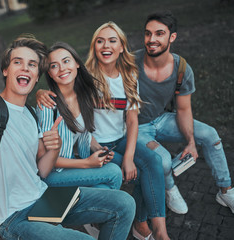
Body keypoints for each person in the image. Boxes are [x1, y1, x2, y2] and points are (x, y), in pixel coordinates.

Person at [0, 30, 135, 240]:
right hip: (15, 217)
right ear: (5, 70)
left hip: (44, 198)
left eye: (32, 64)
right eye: (17, 62)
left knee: (125, 204)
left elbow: (42, 170)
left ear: (35, 79)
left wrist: (54, 148)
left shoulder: (32, 115)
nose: (25, 67)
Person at [37, 22, 170, 240]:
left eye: (112, 40)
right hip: (63, 166)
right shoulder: (67, 91)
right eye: (100, 41)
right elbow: (44, 163)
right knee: (118, 175)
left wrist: (111, 152)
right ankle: (96, 215)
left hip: (107, 145)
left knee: (151, 164)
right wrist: (41, 92)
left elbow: (97, 128)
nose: (61, 68)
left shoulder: (107, 84)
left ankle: (150, 228)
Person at [134, 10, 234, 215]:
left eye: (159, 33)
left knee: (210, 135)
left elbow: (183, 108)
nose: (152, 39)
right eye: (148, 33)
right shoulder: (129, 62)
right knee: (162, 160)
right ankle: (170, 188)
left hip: (161, 119)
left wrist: (190, 142)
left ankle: (226, 191)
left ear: (172, 37)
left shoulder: (181, 68)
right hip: (135, 127)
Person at [36, 42, 122, 190]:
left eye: (66, 61)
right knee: (114, 173)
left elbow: (85, 133)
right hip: (53, 174)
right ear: (49, 73)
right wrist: (87, 163)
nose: (62, 68)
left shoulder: (83, 95)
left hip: (75, 162)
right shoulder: (48, 105)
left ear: (76, 63)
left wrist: (98, 149)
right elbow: (43, 160)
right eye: (54, 65)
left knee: (107, 184)